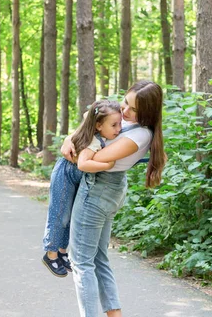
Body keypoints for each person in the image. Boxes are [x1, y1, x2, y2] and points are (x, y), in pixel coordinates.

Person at [63, 80, 166, 317]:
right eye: (125, 102)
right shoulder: (128, 126)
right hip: (105, 193)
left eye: (133, 109)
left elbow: (86, 158)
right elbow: (78, 141)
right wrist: (82, 129)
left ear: (147, 113)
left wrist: (81, 134)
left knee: (81, 263)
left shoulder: (139, 135)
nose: (124, 111)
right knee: (98, 259)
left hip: (98, 192)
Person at [42, 99, 123, 278]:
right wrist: (107, 165)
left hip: (76, 178)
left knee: (70, 216)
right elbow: (83, 164)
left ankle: (62, 252)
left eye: (120, 124)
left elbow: (90, 114)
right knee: (60, 214)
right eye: (114, 125)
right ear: (99, 125)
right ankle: (51, 253)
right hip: (65, 174)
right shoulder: (93, 140)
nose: (119, 129)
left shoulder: (102, 131)